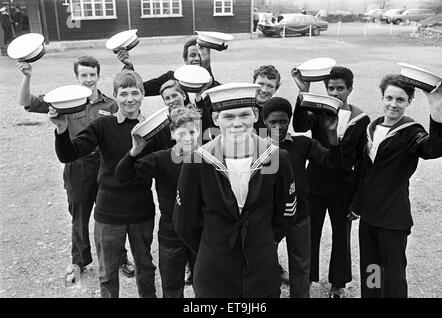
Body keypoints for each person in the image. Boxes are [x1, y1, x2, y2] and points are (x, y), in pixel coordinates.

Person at [16, 56, 136, 282]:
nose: (89, 79)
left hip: (105, 164)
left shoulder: (110, 105)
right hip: (77, 165)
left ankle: (120, 257)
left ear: (99, 76)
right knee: (79, 216)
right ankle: (79, 261)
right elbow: (27, 103)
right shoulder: (65, 101)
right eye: (84, 75)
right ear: (77, 77)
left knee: (113, 214)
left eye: (93, 75)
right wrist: (26, 76)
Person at [173, 83, 298, 297]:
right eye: (228, 117)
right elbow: (184, 222)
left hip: (261, 267)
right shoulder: (197, 161)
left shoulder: (276, 157)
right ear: (215, 120)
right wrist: (212, 247)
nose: (237, 123)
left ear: (256, 115)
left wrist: (262, 241)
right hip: (214, 270)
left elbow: (285, 215)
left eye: (244, 115)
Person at [51, 70, 158, 298]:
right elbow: (69, 153)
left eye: (135, 92)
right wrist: (61, 130)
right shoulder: (103, 125)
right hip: (109, 210)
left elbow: (169, 164)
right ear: (115, 96)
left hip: (141, 209)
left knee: (146, 269)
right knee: (108, 274)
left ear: (143, 94)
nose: (129, 99)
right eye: (123, 93)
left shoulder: (153, 128)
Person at [349, 75, 442, 298]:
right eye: (389, 98)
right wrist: (356, 206)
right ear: (382, 98)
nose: (393, 104)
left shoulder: (412, 132)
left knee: (393, 273)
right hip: (369, 216)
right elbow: (364, 173)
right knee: (371, 268)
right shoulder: (372, 129)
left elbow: (435, 150)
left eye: (400, 100)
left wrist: (436, 110)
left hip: (393, 218)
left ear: (409, 102)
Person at [292, 66, 370, 298]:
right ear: (325, 89)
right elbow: (299, 126)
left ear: (350, 89)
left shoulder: (361, 119)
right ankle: (307, 277)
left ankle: (338, 283)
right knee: (310, 234)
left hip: (344, 188)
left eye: (340, 88)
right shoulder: (318, 113)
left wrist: (358, 200)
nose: (335, 93)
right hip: (315, 185)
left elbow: (363, 163)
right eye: (331, 88)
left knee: (341, 236)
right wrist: (302, 94)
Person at [115, 106, 201, 297]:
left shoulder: (209, 158)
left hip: (201, 232)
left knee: (204, 286)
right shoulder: (161, 159)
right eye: (182, 133)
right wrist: (134, 151)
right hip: (171, 232)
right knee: (171, 287)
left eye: (193, 132)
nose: (188, 138)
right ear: (172, 133)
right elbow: (122, 176)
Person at [263, 97, 342, 298]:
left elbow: (332, 164)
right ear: (264, 122)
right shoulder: (257, 148)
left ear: (290, 120)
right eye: (273, 122)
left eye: (283, 121)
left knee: (300, 265)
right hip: (268, 219)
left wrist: (333, 138)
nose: (279, 126)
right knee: (266, 266)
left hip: (299, 216)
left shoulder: (303, 143)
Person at [116, 37, 220, 97]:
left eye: (200, 55)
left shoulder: (214, 84)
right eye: (192, 55)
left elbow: (214, 94)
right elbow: (142, 89)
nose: (197, 58)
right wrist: (128, 66)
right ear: (185, 59)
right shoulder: (171, 77)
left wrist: (206, 63)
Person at [252, 65, 282, 134]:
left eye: (270, 86)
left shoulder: (276, 113)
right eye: (260, 84)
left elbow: (274, 141)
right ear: (253, 84)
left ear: (275, 89)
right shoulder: (243, 107)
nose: (264, 90)